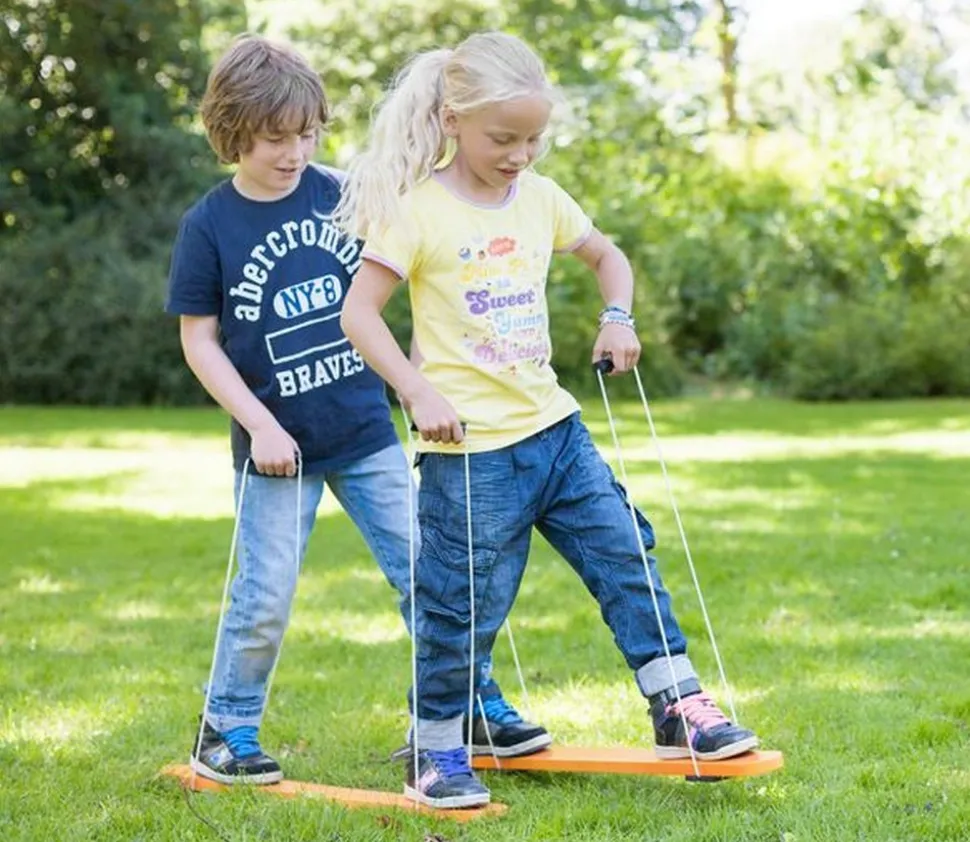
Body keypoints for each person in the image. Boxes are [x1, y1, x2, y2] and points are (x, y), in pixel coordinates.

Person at [336, 31, 760, 809]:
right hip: (470, 455)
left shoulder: (542, 198)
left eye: (533, 139)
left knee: (626, 556)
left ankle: (678, 706)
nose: (521, 154)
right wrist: (416, 391)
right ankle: (437, 747)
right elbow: (359, 314)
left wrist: (618, 316)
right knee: (458, 606)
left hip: (557, 436)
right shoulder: (418, 212)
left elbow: (608, 257)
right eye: (504, 138)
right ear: (454, 120)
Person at [165, 33, 549, 787]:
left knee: (431, 577)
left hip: (368, 433)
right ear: (232, 131)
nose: (295, 152)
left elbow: (419, 255)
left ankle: (468, 705)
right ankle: (226, 727)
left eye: (307, 134)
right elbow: (199, 342)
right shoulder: (208, 226)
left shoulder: (347, 196)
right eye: (276, 138)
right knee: (265, 594)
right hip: (278, 449)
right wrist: (260, 425)